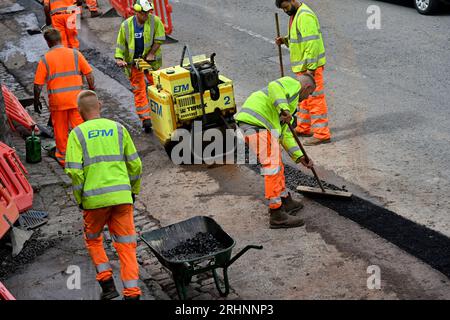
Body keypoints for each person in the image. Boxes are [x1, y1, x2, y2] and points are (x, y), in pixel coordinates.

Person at [65, 90, 143, 300]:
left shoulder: (77, 134)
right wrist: (132, 192)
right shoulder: (118, 129)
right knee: (126, 246)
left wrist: (80, 199)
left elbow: (74, 172)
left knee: (93, 239)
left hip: (94, 201)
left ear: (80, 112)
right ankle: (132, 293)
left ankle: (108, 286)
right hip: (122, 199)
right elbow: (135, 165)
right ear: (99, 105)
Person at [234, 75, 316, 229]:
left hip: (261, 127)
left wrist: (300, 156)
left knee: (278, 166)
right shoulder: (292, 85)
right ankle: (277, 214)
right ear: (307, 88)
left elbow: (285, 135)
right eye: (309, 94)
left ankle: (285, 200)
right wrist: (283, 108)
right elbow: (273, 86)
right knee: (272, 168)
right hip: (255, 124)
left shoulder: (290, 105)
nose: (307, 98)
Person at [34, 28, 95, 167]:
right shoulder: (75, 54)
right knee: (80, 129)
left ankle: (64, 159)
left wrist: (37, 101)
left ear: (48, 43)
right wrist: (91, 90)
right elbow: (89, 75)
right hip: (76, 101)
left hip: (58, 103)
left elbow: (38, 85)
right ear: (60, 39)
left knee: (60, 132)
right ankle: (86, 156)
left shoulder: (45, 59)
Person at [275, 0, 331, 146]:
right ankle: (304, 128)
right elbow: (298, 39)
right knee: (303, 98)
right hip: (303, 68)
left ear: (292, 0)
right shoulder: (296, 15)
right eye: (282, 9)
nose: (285, 11)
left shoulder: (304, 16)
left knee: (315, 99)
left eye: (286, 7)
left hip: (310, 67)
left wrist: (310, 70)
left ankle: (322, 134)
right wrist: (285, 40)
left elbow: (311, 44)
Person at [114, 0, 166, 133]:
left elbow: (159, 39)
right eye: (144, 13)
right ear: (137, 12)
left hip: (151, 62)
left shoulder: (155, 21)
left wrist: (152, 53)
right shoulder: (126, 26)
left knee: (159, 85)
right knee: (139, 89)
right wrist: (119, 58)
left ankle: (165, 111)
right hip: (133, 63)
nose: (146, 15)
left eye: (148, 13)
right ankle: (146, 119)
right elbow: (121, 45)